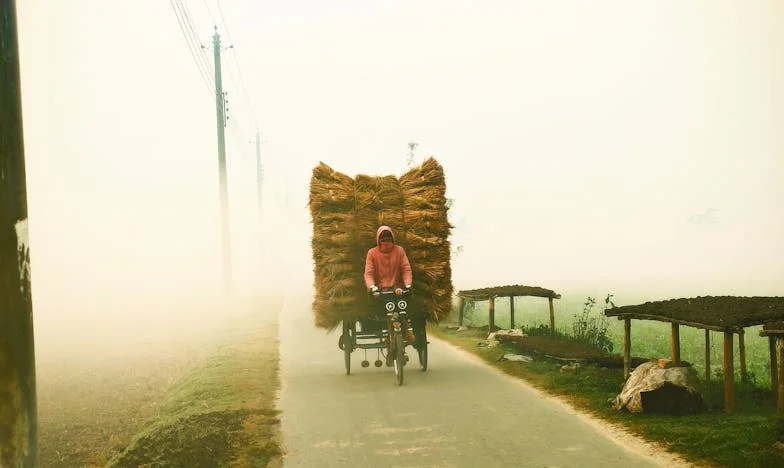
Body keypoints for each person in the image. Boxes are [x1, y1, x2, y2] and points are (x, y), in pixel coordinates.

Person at [364, 226, 424, 349]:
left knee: (403, 310)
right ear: (378, 239)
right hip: (381, 291)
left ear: (392, 238)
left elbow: (406, 269)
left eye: (388, 237)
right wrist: (372, 286)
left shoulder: (399, 251)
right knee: (385, 310)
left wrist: (408, 284)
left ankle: (407, 330)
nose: (386, 240)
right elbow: (368, 273)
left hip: (398, 289)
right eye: (383, 238)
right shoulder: (372, 253)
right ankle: (398, 333)